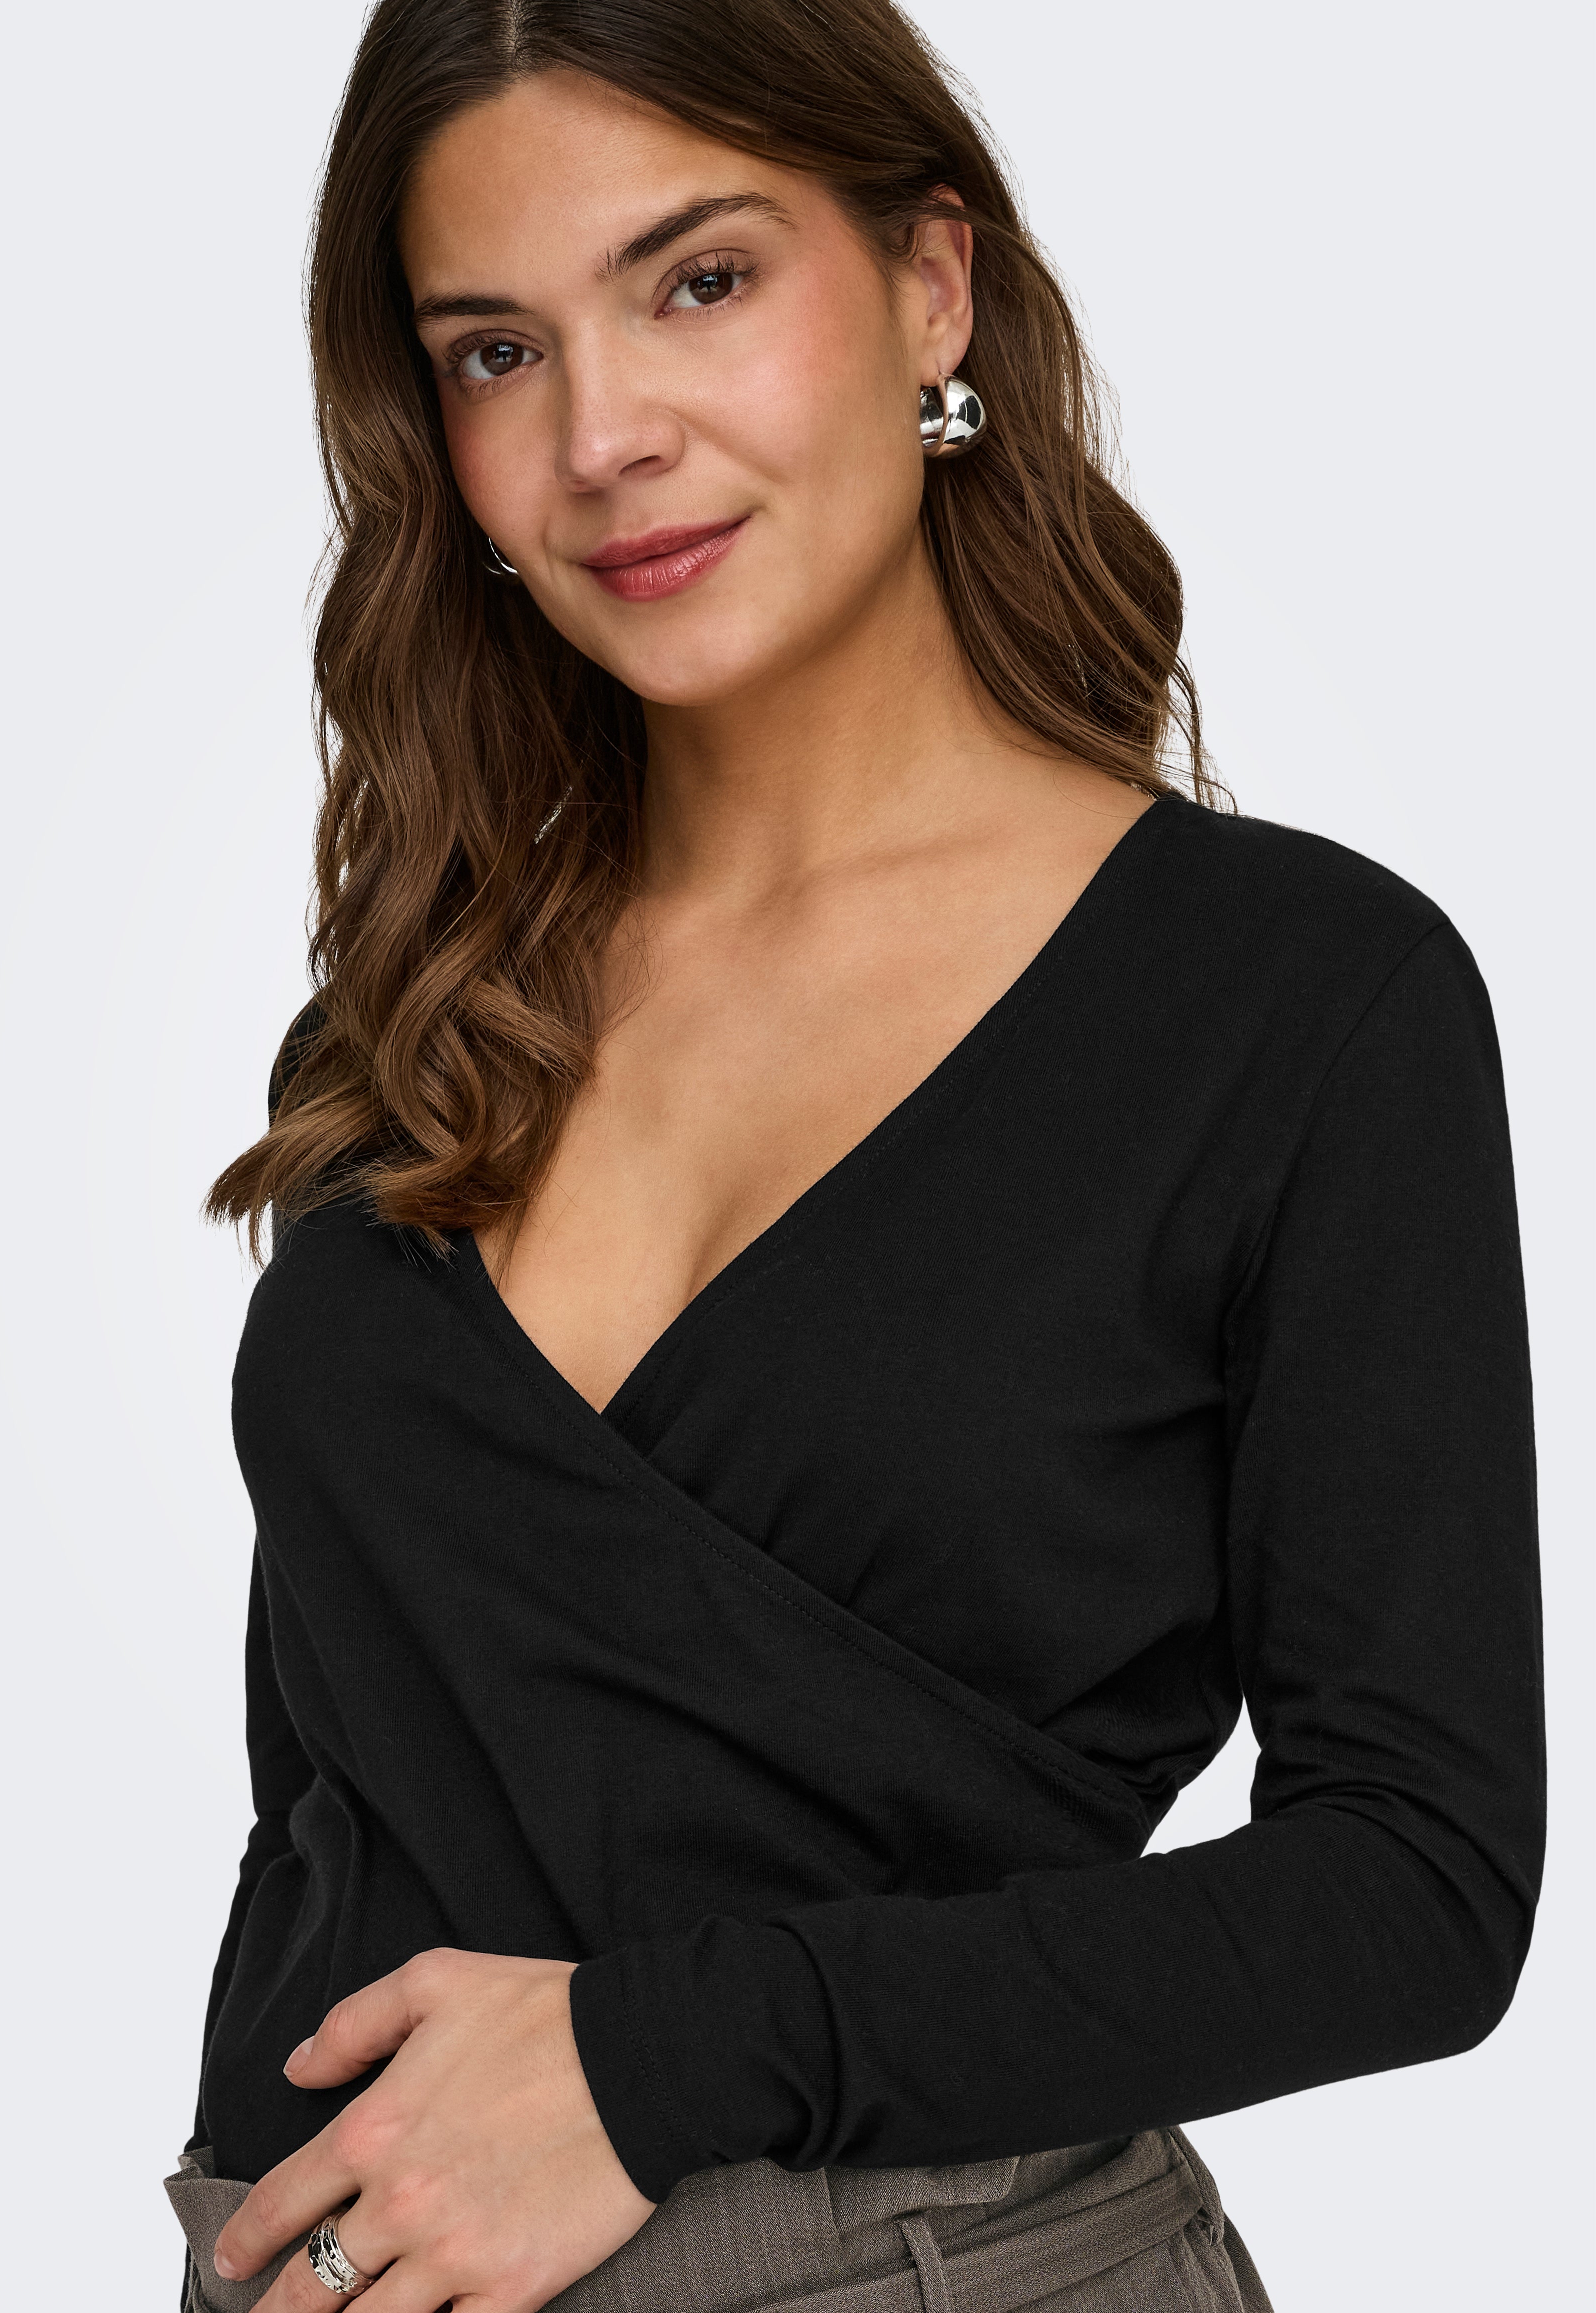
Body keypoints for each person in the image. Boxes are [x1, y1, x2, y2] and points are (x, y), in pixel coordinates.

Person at [170, 2, 1545, 2306]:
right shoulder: (421, 1007)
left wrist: (656, 2055)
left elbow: (1416, 1882)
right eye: (496, 350)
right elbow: (352, 1788)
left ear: (931, 286)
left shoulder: (1298, 1004)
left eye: (697, 281)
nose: (603, 434)